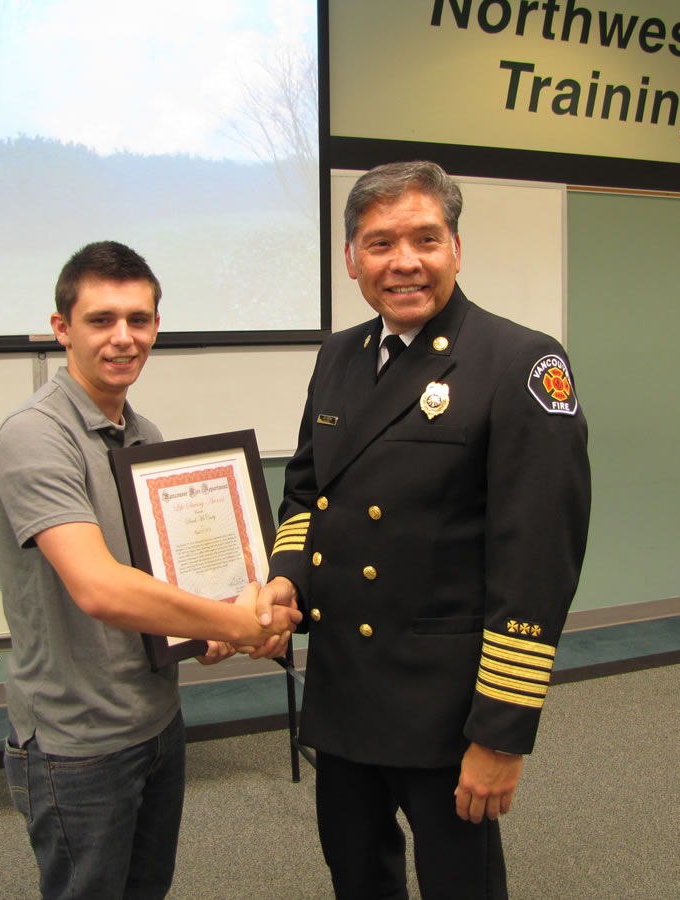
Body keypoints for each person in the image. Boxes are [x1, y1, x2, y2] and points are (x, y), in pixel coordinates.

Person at [262, 161, 591, 899]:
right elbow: (308, 494)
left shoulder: (521, 363)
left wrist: (501, 731)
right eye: (379, 243)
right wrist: (287, 581)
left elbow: (537, 564)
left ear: (456, 248)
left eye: (424, 238)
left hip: (447, 710)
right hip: (345, 690)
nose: (403, 262)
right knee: (358, 877)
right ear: (351, 259)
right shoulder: (339, 356)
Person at [0, 240, 300, 900]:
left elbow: (164, 586)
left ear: (157, 326)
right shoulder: (35, 435)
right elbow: (99, 588)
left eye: (139, 319)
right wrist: (241, 625)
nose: (123, 338)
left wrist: (205, 634)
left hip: (157, 721)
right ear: (61, 329)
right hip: (80, 743)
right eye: (101, 319)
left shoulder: (145, 437)